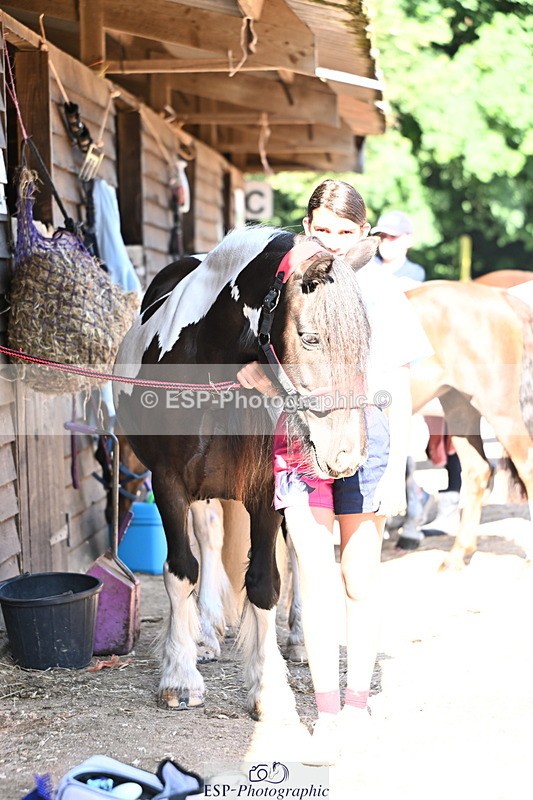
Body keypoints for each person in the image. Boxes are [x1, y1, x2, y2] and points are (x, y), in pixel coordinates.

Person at [237, 180, 433, 764]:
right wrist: (262, 377)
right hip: (300, 441)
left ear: (364, 234)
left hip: (367, 443)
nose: (333, 242)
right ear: (307, 226)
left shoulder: (382, 290)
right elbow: (259, 361)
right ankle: (326, 715)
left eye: (346, 232)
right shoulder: (282, 285)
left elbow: (398, 383)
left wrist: (398, 466)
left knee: (359, 580)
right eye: (322, 230)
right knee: (315, 577)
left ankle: (357, 704)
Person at [372, 209, 462, 536]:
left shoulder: (416, 275)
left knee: (433, 433)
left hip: (415, 364)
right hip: (378, 360)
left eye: (392, 237)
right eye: (381, 236)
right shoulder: (370, 270)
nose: (386, 243)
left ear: (407, 240)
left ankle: (431, 499)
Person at [371, 209, 425, 291]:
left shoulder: (415, 272)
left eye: (393, 236)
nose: (385, 241)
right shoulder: (369, 265)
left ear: (409, 240)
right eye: (383, 236)